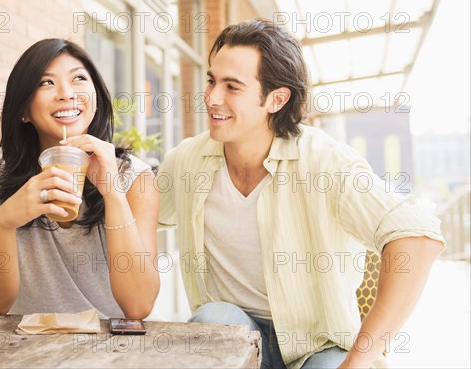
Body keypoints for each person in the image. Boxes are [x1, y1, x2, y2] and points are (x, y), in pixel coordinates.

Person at [158, 19, 445, 369]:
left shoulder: (326, 162)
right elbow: (132, 213)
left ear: (277, 99)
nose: (211, 97)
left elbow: (418, 238)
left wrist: (356, 362)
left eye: (232, 87)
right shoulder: (186, 162)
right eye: (211, 80)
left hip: (319, 347)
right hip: (238, 339)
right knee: (210, 319)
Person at [0, 39, 159, 319]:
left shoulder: (134, 178)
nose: (66, 94)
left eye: (79, 78)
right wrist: (4, 223)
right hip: (25, 346)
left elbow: (138, 306)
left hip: (111, 348)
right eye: (46, 83)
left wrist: (112, 193)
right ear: (23, 110)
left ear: (97, 97)